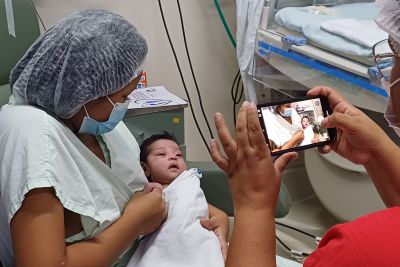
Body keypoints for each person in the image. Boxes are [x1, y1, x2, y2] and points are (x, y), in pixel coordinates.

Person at [0, 9, 226, 267]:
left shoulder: (92, 125)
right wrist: (133, 223)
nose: (124, 106)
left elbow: (141, 189)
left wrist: (214, 215)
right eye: (121, 98)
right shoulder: (32, 138)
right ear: (84, 92)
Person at [211, 0, 400, 266]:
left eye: (392, 55)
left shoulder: (358, 249)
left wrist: (254, 204)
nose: (389, 71)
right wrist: (378, 152)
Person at [127, 132, 228, 267]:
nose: (173, 157)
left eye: (178, 155)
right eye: (161, 154)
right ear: (145, 169)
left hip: (200, 246)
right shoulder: (150, 192)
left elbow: (218, 214)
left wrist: (222, 222)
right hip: (163, 249)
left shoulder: (187, 186)